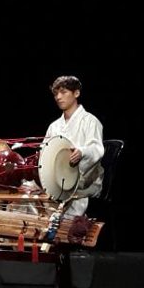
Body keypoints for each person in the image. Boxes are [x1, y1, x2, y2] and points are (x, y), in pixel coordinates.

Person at [45, 75, 104, 217]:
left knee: (62, 214)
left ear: (76, 93)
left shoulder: (90, 121)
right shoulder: (54, 126)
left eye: (63, 92)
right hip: (58, 184)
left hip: (85, 183)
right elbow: (45, 153)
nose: (58, 97)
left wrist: (82, 152)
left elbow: (97, 148)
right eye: (56, 93)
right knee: (28, 195)